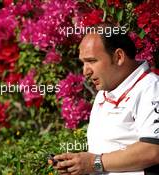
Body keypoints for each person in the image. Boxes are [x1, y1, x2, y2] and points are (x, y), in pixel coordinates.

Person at [53, 23, 159, 175]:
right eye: (83, 63)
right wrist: (77, 163)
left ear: (118, 57)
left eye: (92, 61)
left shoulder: (152, 88)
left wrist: (93, 163)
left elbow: (153, 150)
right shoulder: (104, 92)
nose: (85, 71)